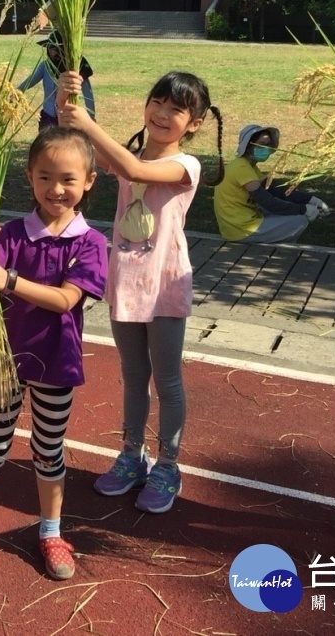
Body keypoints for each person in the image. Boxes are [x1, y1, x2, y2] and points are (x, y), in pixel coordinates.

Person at [58, 70, 223, 513]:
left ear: (195, 124)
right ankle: (132, 455)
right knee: (133, 375)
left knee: (167, 379)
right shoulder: (124, 154)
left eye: (176, 110)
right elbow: (77, 138)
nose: (163, 114)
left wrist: (88, 124)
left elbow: (134, 169)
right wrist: (67, 96)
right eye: (158, 102)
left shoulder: (186, 165)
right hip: (126, 281)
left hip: (166, 283)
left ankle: (169, 464)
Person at [0, 127, 108, 591]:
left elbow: (66, 301)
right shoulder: (11, 233)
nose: (56, 189)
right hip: (4, 360)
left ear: (89, 182)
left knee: (48, 449)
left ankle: (51, 532)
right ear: (28, 178)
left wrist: (12, 280)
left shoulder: (90, 242)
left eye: (67, 179)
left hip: (56, 362)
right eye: (45, 178)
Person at [213, 124, 330, 243]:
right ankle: (280, 246)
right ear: (249, 146)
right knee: (300, 220)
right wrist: (304, 209)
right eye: (262, 144)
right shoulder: (241, 168)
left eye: (268, 145)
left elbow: (275, 189)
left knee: (288, 212)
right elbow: (267, 201)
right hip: (241, 229)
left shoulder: (247, 167)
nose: (266, 149)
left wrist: (310, 199)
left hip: (240, 224)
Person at [18, 31, 96, 131]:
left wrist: (91, 116)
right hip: (48, 117)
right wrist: (16, 91)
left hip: (68, 117)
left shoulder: (75, 69)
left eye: (55, 48)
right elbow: (30, 81)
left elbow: (88, 94)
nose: (52, 51)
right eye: (50, 47)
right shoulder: (45, 66)